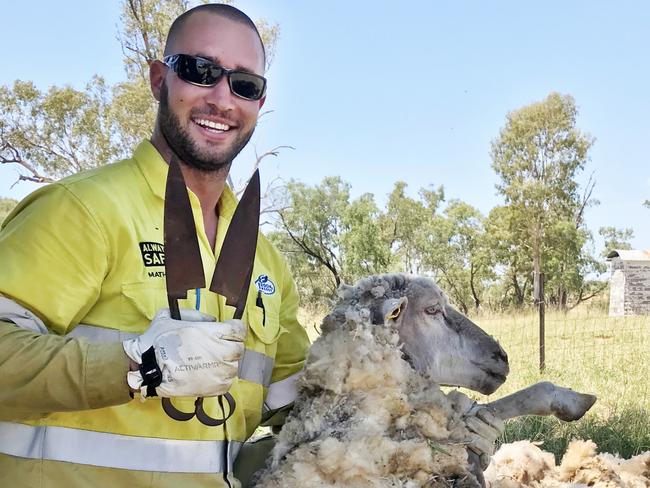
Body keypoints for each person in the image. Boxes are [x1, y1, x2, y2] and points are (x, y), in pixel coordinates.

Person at [0, 4, 501, 487]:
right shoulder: (82, 211)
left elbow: (309, 417)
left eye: (244, 83)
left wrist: (435, 435)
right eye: (199, 70)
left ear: (259, 103)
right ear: (159, 80)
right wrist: (140, 366)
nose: (222, 97)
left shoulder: (264, 262)